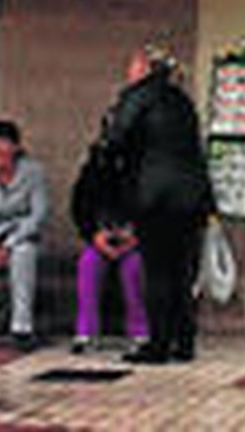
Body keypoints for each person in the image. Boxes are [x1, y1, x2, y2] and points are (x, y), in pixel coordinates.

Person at [101, 45, 214, 364]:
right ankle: (185, 340)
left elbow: (116, 138)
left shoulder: (138, 96)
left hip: (156, 196)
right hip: (192, 196)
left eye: (133, 64)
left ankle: (158, 344)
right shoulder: (182, 99)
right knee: (182, 269)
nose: (129, 70)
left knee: (158, 270)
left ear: (146, 68)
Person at [69, 134, 149, 353]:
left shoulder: (148, 166)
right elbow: (80, 207)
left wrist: (135, 238)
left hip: (136, 240)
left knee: (133, 270)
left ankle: (140, 331)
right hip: (102, 237)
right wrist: (94, 236)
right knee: (88, 265)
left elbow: (156, 210)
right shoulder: (95, 166)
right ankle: (87, 331)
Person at [0, 119, 50, 351]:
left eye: (4, 147)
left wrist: (10, 243)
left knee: (23, 256)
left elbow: (39, 213)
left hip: (22, 233)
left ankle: (21, 327)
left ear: (15, 147)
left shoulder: (33, 172)